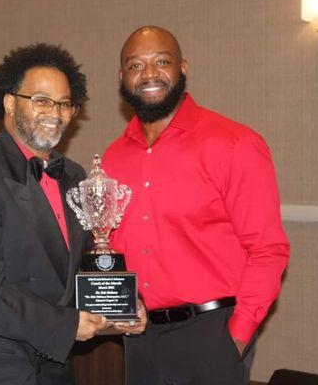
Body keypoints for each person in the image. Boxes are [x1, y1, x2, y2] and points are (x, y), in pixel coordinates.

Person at [102, 26, 290, 385]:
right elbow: (111, 246)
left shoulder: (234, 144)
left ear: (183, 68)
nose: (149, 74)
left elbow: (268, 249)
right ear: (122, 78)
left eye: (162, 62)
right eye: (136, 65)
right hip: (138, 335)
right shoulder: (113, 158)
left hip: (211, 333)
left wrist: (235, 338)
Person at [0, 44, 141, 385]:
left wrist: (120, 304)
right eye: (41, 100)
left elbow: (75, 272)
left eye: (65, 103)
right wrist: (64, 326)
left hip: (55, 366)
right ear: (9, 103)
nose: (56, 112)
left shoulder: (77, 177)